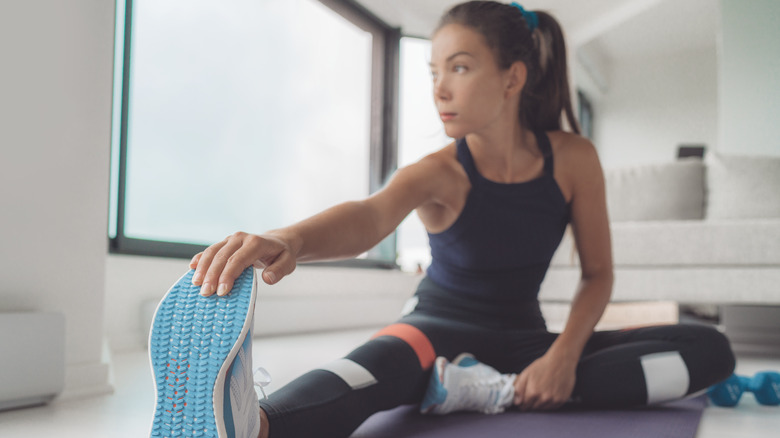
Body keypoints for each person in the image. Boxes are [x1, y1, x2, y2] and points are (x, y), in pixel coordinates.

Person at [152, 2, 736, 437]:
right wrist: (289, 239)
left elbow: (598, 275)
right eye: (433, 71)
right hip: (433, 329)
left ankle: (489, 391)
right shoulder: (438, 171)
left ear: (512, 77)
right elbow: (368, 216)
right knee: (373, 369)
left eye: (458, 68)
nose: (439, 89)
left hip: (526, 340)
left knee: (708, 348)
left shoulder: (573, 160)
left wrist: (559, 358)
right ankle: (252, 425)